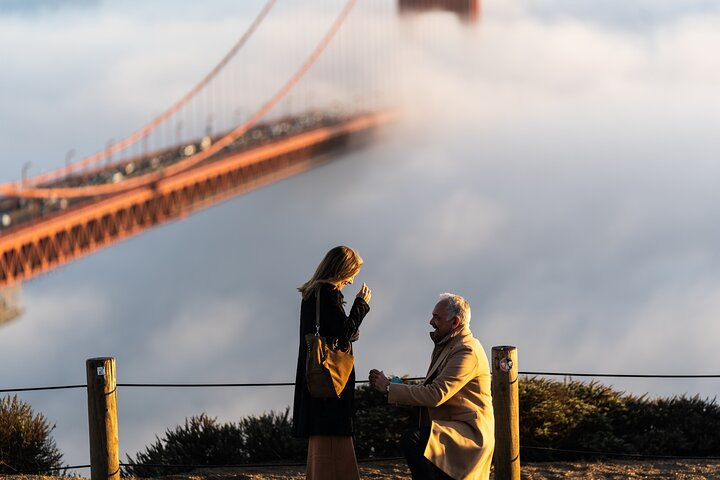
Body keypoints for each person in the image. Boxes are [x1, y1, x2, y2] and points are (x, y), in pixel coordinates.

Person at [369, 293, 494, 480]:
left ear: (455, 322)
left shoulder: (466, 351)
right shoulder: (450, 345)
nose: (430, 322)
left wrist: (389, 388)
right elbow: (433, 390)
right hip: (450, 431)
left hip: (468, 436)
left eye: (437, 318)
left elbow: (436, 394)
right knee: (417, 442)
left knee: (413, 440)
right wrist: (397, 386)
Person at [293, 246, 372, 480]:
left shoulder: (311, 295)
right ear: (342, 270)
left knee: (322, 442)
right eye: (351, 274)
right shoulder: (328, 294)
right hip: (330, 380)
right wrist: (361, 304)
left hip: (314, 378)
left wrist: (347, 330)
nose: (351, 281)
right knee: (334, 436)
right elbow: (345, 331)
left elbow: (336, 330)